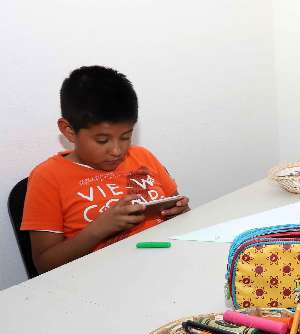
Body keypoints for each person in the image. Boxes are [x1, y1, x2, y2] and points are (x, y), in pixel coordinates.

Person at [21, 66, 189, 273]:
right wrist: (99, 229)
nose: (117, 150)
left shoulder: (142, 157)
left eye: (126, 137)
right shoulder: (47, 178)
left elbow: (180, 214)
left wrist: (179, 211)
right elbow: (44, 264)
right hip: (103, 281)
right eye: (102, 140)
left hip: (166, 264)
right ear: (69, 131)